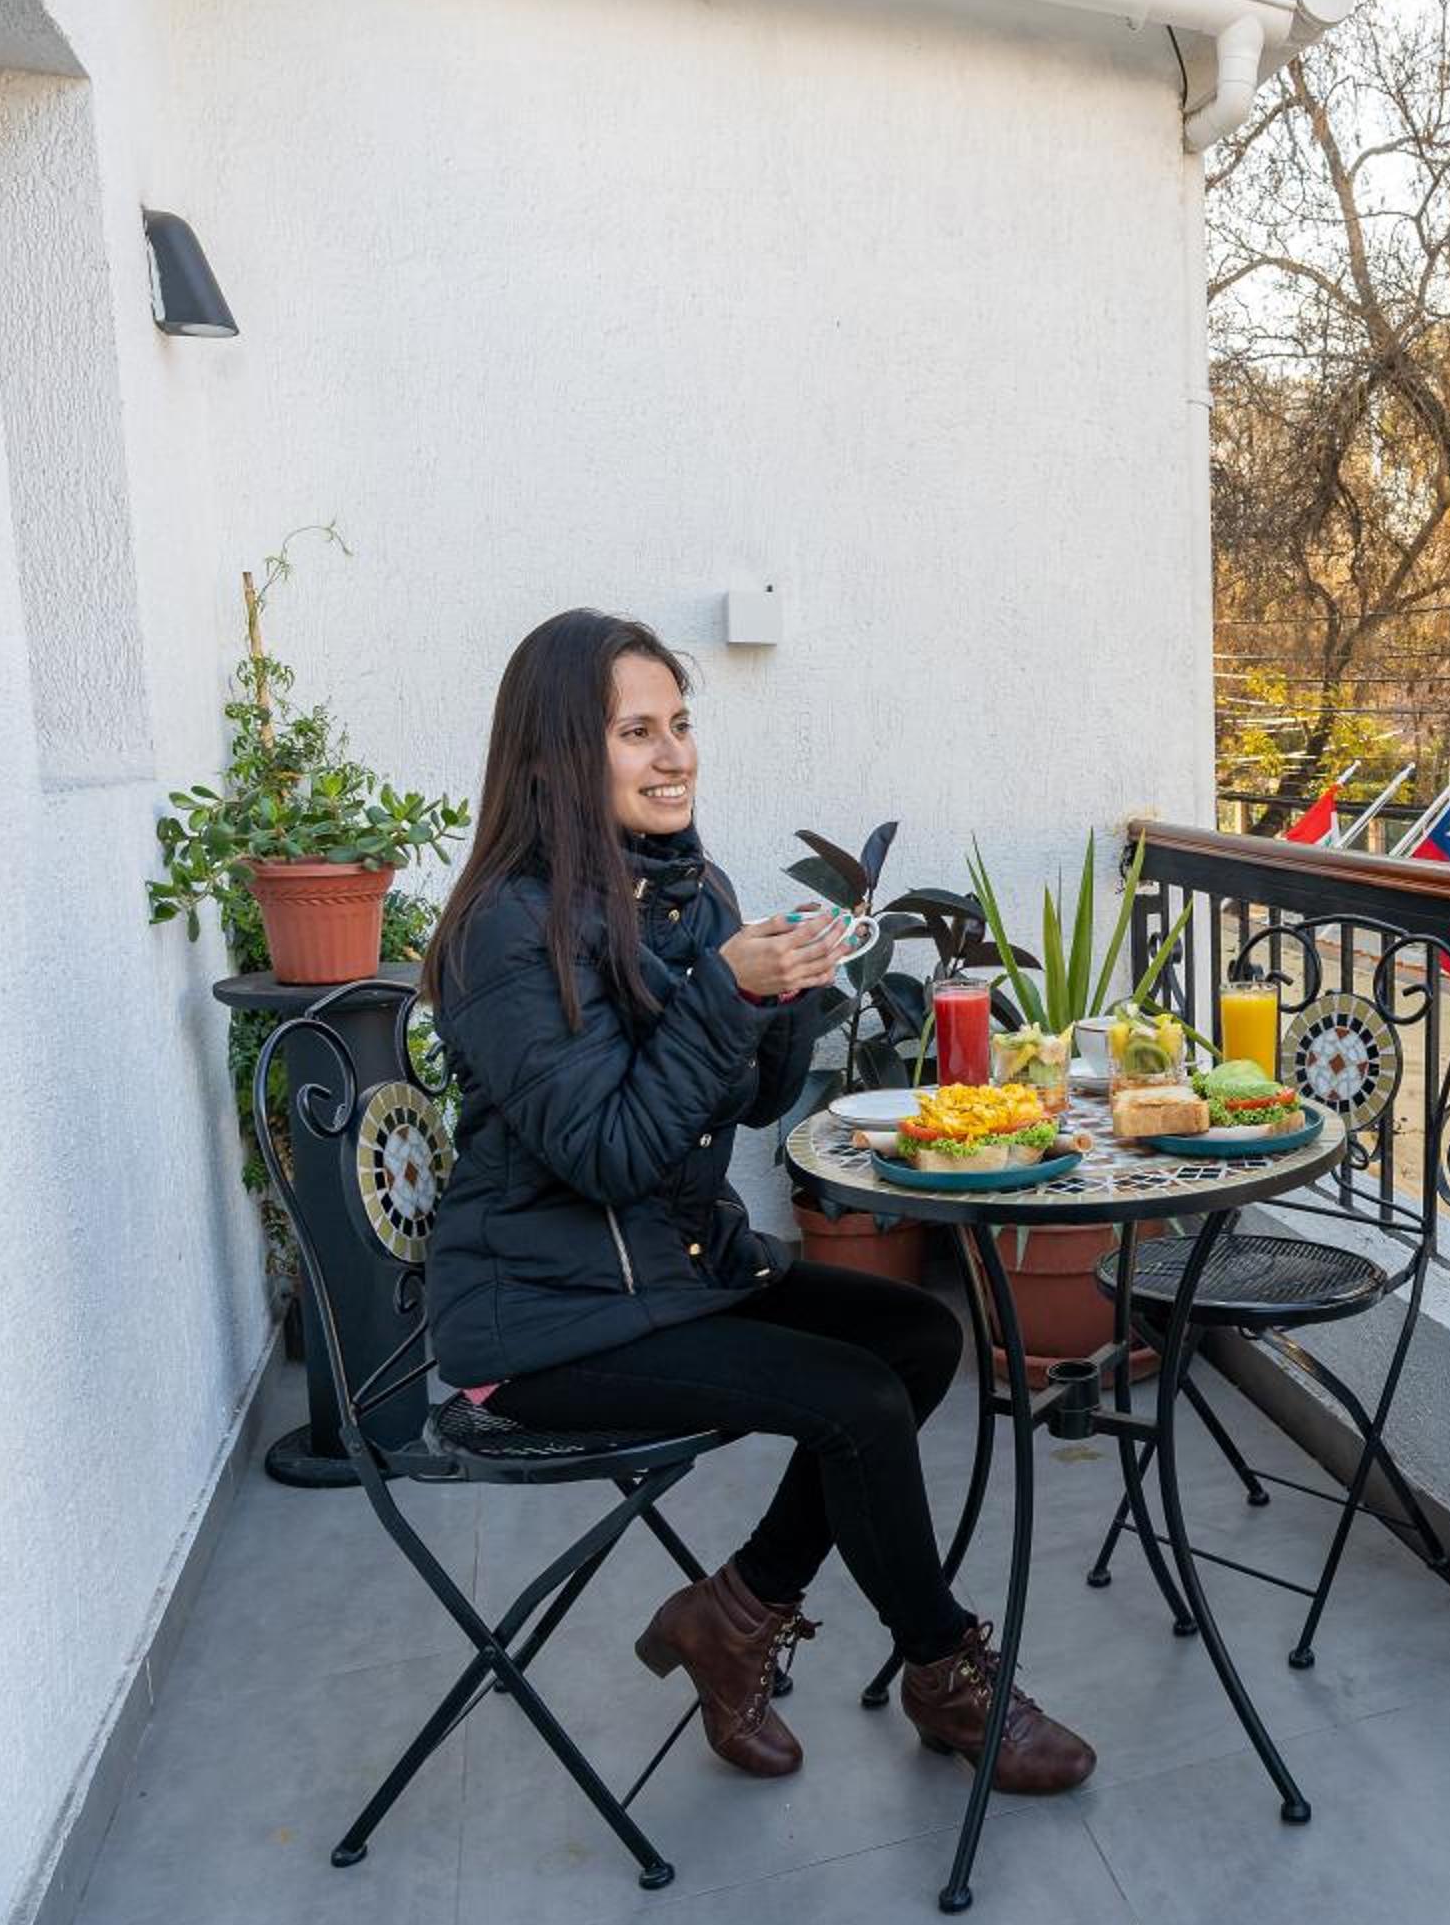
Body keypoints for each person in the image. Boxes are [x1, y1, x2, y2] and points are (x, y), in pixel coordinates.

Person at [418, 609, 1092, 1792]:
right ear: (554, 757)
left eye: (680, 723)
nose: (674, 753)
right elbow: (613, 1152)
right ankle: (944, 1669)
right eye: (636, 730)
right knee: (855, 1400)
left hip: (667, 1270)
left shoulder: (685, 889)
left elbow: (755, 1100)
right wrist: (725, 997)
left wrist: (787, 994)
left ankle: (732, 1618)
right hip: (542, 1320)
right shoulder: (504, 931)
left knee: (918, 1336)